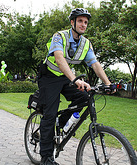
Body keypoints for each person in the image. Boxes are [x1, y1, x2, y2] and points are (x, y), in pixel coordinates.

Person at [38, 8, 112, 165]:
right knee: (49, 115)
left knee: (84, 98)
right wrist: (75, 79)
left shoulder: (85, 44)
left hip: (65, 77)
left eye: (86, 22)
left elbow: (95, 64)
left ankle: (61, 123)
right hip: (49, 77)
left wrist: (108, 83)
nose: (83, 24)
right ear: (72, 22)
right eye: (80, 21)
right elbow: (59, 59)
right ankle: (46, 157)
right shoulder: (59, 36)